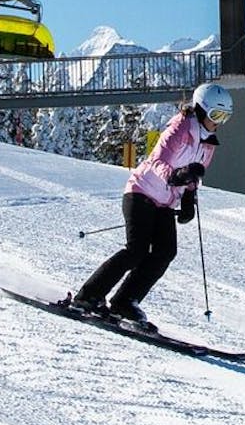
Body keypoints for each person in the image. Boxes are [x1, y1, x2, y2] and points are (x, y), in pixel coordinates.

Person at [71, 81, 233, 331]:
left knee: (165, 252)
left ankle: (124, 302)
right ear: (201, 109)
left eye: (225, 117)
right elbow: (159, 159)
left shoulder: (209, 143)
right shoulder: (180, 127)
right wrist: (176, 176)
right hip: (142, 191)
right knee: (136, 250)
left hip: (165, 202)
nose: (219, 122)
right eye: (216, 115)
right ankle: (88, 296)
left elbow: (195, 175)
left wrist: (189, 196)